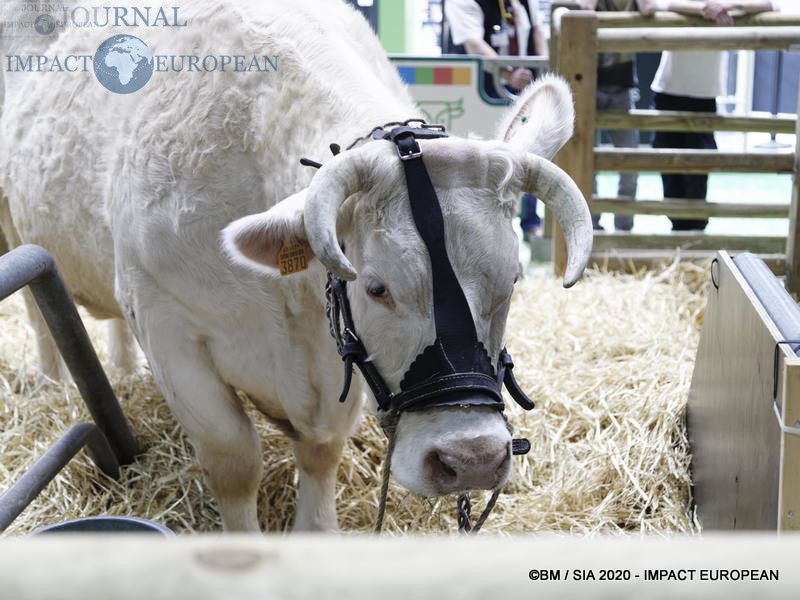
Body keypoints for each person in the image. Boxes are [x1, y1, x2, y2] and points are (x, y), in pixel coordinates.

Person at [638, 0, 780, 231]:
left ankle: (695, 229)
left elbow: (771, 5)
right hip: (669, 86)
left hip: (705, 92)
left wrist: (727, 5)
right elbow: (652, 6)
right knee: (668, 162)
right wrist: (703, 9)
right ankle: (677, 228)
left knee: (699, 164)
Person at [444, 0, 547, 239]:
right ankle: (474, 228)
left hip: (523, 89)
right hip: (477, 94)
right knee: (480, 160)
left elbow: (537, 30)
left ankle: (530, 223)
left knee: (527, 153)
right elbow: (473, 43)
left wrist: (544, 65)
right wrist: (507, 73)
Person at [578, 0, 641, 232]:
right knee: (587, 160)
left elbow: (651, 7)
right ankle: (591, 225)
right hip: (588, 85)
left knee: (630, 160)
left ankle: (624, 227)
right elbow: (584, 9)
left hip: (622, 87)